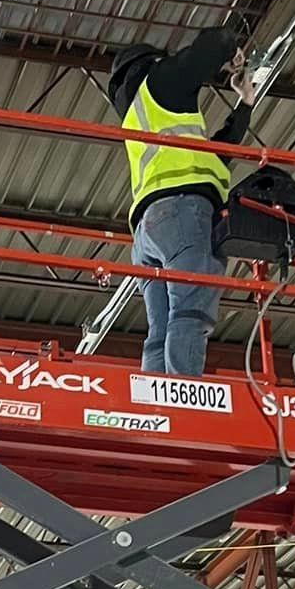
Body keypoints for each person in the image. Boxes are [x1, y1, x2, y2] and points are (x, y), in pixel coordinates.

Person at [107, 27, 259, 378]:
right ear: (151, 63)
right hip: (182, 216)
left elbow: (213, 158)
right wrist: (231, 45)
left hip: (148, 232)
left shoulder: (140, 116)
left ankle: (158, 406)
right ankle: (182, 405)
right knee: (191, 312)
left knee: (161, 331)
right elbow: (208, 47)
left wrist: (244, 105)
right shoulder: (158, 83)